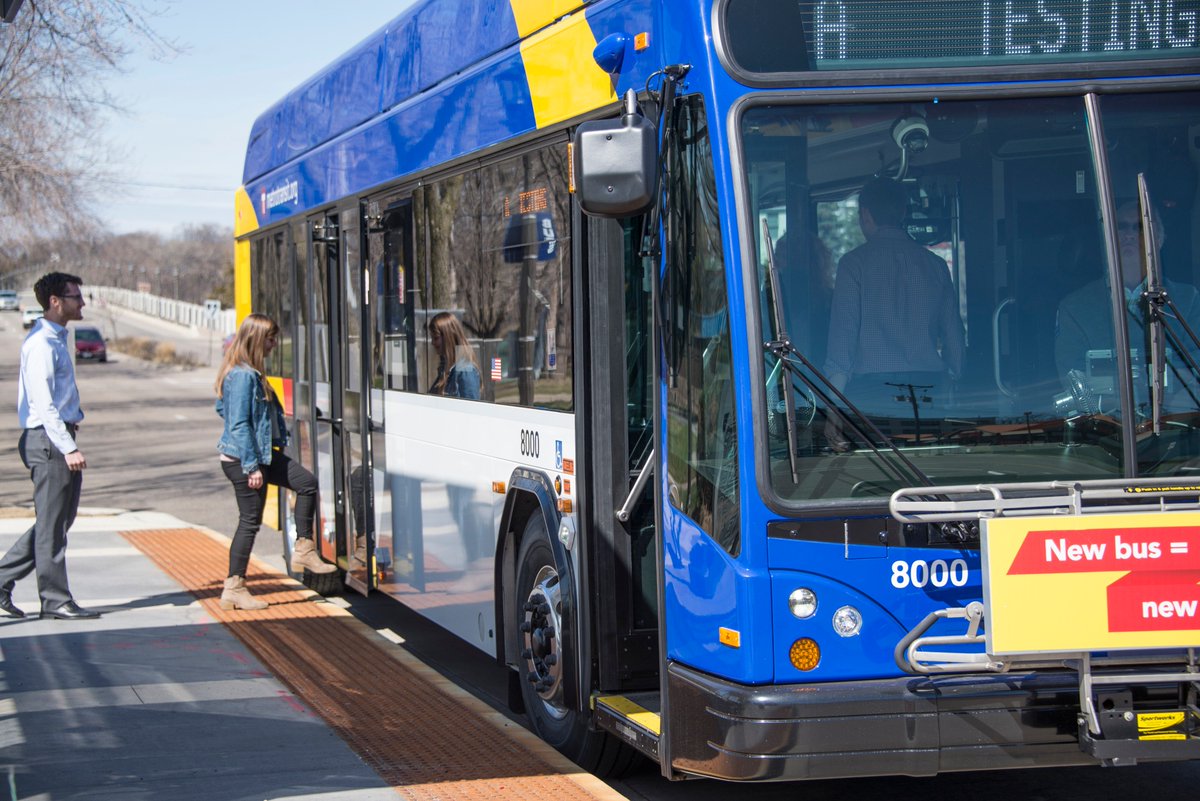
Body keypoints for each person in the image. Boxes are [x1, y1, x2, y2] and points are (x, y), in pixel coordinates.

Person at [214, 313, 335, 611]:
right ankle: (234, 588)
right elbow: (238, 423)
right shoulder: (243, 375)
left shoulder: (250, 373)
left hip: (263, 455)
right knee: (249, 522)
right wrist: (251, 465)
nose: (274, 344)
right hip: (246, 461)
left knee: (307, 483)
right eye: (270, 339)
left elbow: (222, 408)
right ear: (256, 339)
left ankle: (303, 548)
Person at [0, 272, 100, 620]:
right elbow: (43, 404)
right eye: (76, 296)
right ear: (55, 302)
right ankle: (55, 600)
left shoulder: (57, 339)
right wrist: (67, 446)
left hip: (55, 437)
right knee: (52, 525)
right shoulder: (41, 344)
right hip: (48, 440)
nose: (82, 302)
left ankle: (2, 580)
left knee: (56, 522)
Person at [823, 177, 964, 422]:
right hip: (929, 387)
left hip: (873, 390)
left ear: (865, 214)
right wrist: (957, 377)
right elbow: (954, 334)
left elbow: (843, 338)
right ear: (903, 212)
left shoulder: (854, 265)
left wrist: (833, 407)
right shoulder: (936, 265)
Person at [1055, 199, 1200, 414]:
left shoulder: (1188, 300)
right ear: (1108, 239)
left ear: (1159, 239)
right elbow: (1073, 379)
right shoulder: (1075, 307)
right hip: (1106, 427)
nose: (1129, 234)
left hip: (1175, 425)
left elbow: (1196, 369)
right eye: (1121, 227)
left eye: (1139, 227)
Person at [427, 312, 480, 400]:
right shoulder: (446, 368)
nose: (432, 343)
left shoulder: (464, 369)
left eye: (436, 338)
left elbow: (470, 406)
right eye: (432, 338)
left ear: (448, 337)